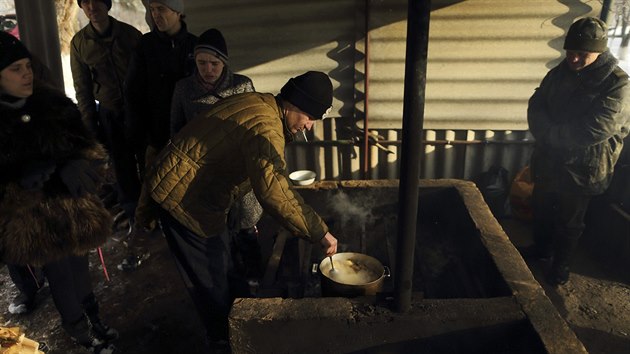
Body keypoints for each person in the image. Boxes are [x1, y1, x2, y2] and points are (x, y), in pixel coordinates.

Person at [145, 71, 339, 351]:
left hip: (202, 195)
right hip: (182, 197)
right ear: (294, 104)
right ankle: (223, 340)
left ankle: (235, 319)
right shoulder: (266, 125)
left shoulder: (261, 103)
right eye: (310, 118)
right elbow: (273, 190)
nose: (309, 127)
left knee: (223, 263)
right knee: (208, 277)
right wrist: (319, 231)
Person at [0, 32, 117, 353]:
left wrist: (81, 165)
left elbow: (91, 150)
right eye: (15, 69)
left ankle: (94, 319)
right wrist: (18, 184)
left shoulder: (54, 105)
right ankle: (79, 330)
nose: (27, 73)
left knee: (81, 273)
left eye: (27, 65)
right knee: (62, 279)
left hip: (74, 207)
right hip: (36, 224)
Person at [525, 17, 630, 286]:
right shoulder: (559, 72)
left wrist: (550, 136)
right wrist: (547, 134)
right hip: (551, 158)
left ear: (600, 51)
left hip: (585, 165)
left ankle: (561, 267)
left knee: (570, 220)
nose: (573, 59)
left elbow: (600, 126)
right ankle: (541, 251)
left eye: (582, 54)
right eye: (570, 52)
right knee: (542, 207)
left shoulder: (618, 83)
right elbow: (537, 104)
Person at [168, 27, 263, 279]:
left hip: (236, 169)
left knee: (245, 224)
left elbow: (253, 127)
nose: (208, 69)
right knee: (217, 232)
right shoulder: (183, 89)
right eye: (201, 63)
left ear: (224, 62)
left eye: (214, 63)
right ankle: (230, 281)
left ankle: (256, 279)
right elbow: (175, 130)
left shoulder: (242, 86)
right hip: (203, 172)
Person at [124, 0, 196, 253]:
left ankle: (181, 241)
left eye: (161, 9)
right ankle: (138, 245)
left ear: (178, 12)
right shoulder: (145, 46)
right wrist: (138, 133)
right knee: (150, 190)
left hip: (188, 137)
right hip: (156, 133)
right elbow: (133, 91)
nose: (155, 15)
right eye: (152, 10)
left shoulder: (194, 46)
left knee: (185, 189)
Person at [70, 0, 143, 226]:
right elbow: (83, 90)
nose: (92, 7)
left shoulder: (130, 35)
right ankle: (134, 216)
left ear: (107, 4)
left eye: (97, 1)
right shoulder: (80, 43)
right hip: (110, 114)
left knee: (148, 162)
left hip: (138, 111)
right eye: (86, 3)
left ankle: (154, 212)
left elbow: (146, 75)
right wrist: (91, 130)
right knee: (122, 168)